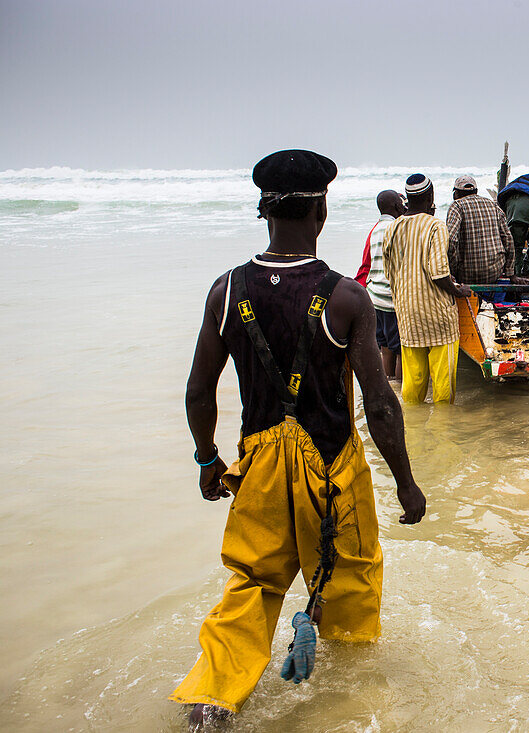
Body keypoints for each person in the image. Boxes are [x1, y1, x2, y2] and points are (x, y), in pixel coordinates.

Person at [171, 150, 426, 728]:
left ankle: (211, 702)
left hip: (257, 464)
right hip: (331, 466)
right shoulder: (345, 297)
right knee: (351, 580)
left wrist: (208, 459)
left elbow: (197, 392)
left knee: (253, 584)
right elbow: (381, 406)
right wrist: (406, 483)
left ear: (265, 212)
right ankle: (347, 698)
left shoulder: (225, 290)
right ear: (322, 212)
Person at [383, 174, 471, 404]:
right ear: (430, 196)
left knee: (413, 386)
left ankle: (412, 429)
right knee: (443, 387)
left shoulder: (392, 228)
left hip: (408, 316)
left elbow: (389, 272)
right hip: (438, 317)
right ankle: (442, 429)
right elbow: (439, 273)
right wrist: (458, 290)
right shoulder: (435, 226)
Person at [355, 190, 406, 378]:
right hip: (391, 298)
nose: (403, 206)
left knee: (385, 348)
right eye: (400, 203)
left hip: (375, 297)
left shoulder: (375, 229)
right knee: (401, 350)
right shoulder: (397, 227)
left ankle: (388, 383)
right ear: (394, 206)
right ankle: (400, 389)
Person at [445, 175, 518, 284]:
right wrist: (510, 273)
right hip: (494, 272)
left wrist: (453, 270)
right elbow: (508, 239)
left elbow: (451, 240)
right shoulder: (493, 205)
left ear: (456, 193)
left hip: (466, 274)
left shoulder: (457, 206)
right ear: (476, 191)